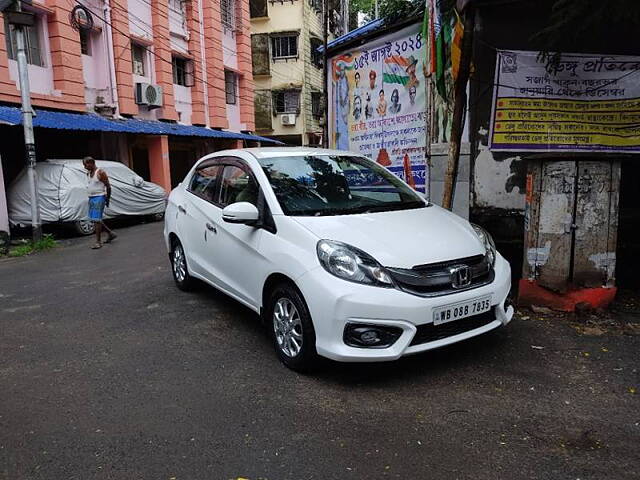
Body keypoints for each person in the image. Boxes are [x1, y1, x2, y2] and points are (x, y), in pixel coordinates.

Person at [83, 156, 116, 249]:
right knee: (94, 219)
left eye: (86, 165)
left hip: (99, 197)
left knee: (97, 220)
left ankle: (98, 242)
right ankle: (110, 233)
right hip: (92, 198)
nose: (85, 167)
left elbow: (108, 187)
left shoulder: (100, 172)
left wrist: (107, 199)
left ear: (92, 163)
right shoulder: (88, 173)